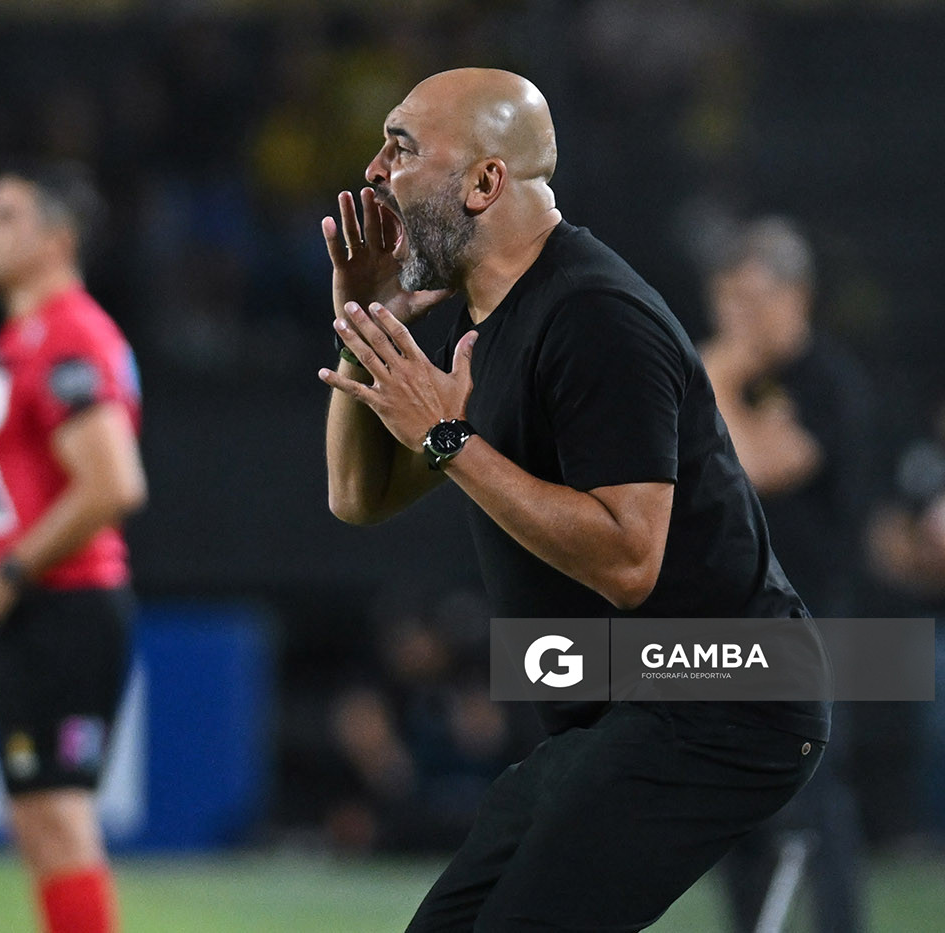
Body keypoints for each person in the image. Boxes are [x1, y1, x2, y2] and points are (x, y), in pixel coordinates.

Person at [319, 68, 828, 931]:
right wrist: (363, 318)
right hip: (618, 707)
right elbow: (357, 496)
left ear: (485, 182)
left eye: (401, 147)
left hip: (724, 698)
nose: (373, 170)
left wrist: (450, 440)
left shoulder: (596, 314)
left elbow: (631, 561)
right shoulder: (488, 317)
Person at [0, 163, 146, 933]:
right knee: (36, 823)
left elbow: (112, 483)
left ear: (57, 239)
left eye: (2, 214)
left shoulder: (71, 336)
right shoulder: (17, 341)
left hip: (65, 603)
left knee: (58, 816)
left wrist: (9, 569)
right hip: (28, 607)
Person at [702, 217, 869, 933]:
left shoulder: (828, 382)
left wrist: (716, 374)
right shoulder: (744, 381)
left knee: (816, 798)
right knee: (728, 799)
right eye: (726, 300)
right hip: (729, 622)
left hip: (811, 624)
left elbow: (762, 466)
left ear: (796, 296)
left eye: (752, 299)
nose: (736, 318)